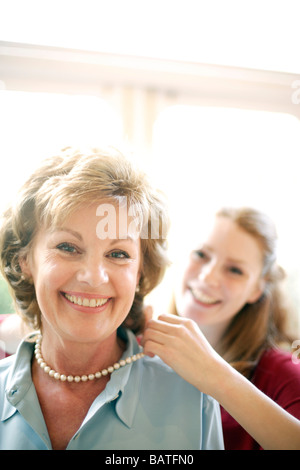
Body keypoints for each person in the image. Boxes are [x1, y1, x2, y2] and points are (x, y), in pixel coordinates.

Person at [0, 146, 223, 450]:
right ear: (24, 259)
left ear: (141, 273)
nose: (94, 276)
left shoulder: (193, 400)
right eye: (67, 247)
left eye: (118, 254)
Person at [143, 207, 300, 450]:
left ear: (257, 289)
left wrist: (214, 375)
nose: (208, 278)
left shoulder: (284, 376)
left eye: (234, 270)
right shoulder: (136, 348)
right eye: (201, 255)